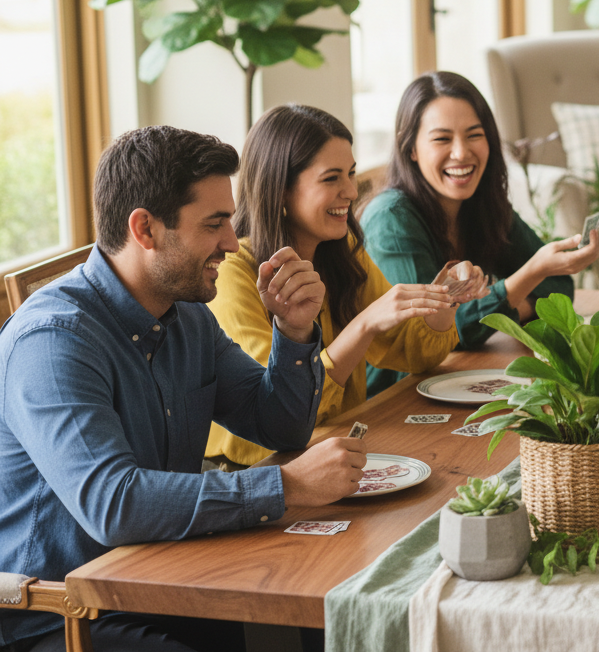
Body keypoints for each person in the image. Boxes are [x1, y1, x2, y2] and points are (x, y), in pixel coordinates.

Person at [0, 127, 364, 652]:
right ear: (145, 229)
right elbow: (114, 504)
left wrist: (294, 331)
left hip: (164, 577)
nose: (229, 244)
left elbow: (277, 424)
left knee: (331, 609)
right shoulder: (54, 343)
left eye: (230, 222)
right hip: (60, 614)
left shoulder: (188, 313)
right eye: (214, 225)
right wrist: (286, 486)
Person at [205, 104, 488, 468]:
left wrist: (445, 298)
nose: (352, 191)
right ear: (281, 193)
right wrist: (365, 324)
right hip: (257, 469)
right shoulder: (233, 271)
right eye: (332, 178)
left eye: (351, 174)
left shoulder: (343, 254)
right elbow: (280, 409)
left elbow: (418, 356)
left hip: (333, 449)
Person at [361, 72, 599, 393]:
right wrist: (528, 276)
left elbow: (558, 288)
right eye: (442, 139)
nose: (461, 153)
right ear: (411, 149)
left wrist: (504, 302)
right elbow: (434, 338)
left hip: (454, 379)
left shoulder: (483, 205)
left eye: (474, 135)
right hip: (391, 396)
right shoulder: (390, 219)